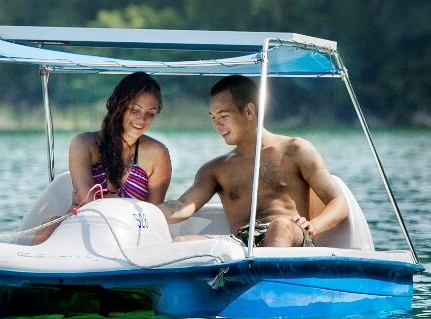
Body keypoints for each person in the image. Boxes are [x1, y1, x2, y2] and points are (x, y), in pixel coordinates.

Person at [163, 74, 347, 247]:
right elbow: (181, 206)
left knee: (280, 226)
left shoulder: (295, 150)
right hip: (240, 242)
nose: (217, 125)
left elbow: (338, 202)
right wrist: (143, 211)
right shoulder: (215, 169)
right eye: (213, 118)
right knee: (181, 242)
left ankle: (270, 278)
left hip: (292, 236)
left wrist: (314, 225)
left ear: (249, 111)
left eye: (223, 116)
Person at [27, 71, 172, 245]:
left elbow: (153, 213)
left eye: (151, 113)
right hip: (81, 228)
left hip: (132, 236)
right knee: (48, 225)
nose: (142, 119)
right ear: (119, 105)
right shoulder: (84, 144)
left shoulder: (158, 154)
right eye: (135, 110)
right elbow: (85, 197)